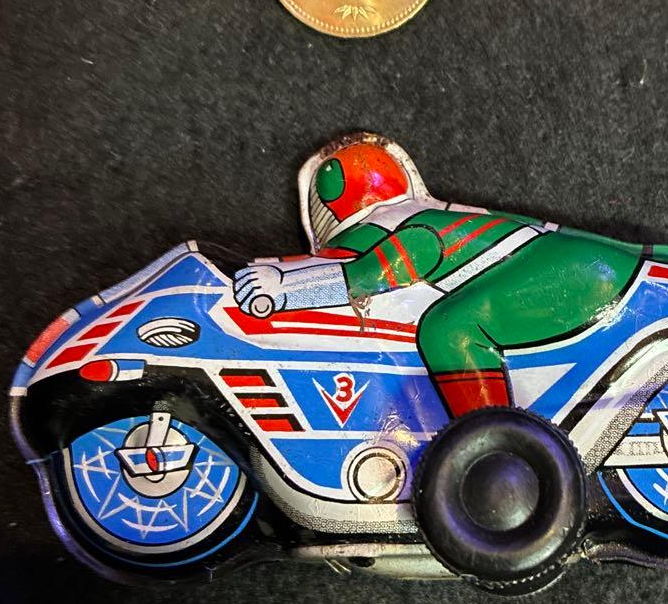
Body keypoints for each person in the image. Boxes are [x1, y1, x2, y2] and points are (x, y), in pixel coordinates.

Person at [233, 134, 643, 418]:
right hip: (580, 260)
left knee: (449, 330)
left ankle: (491, 438)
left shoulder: (408, 228)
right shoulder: (419, 218)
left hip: (574, 267)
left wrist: (284, 290)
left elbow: (364, 275)